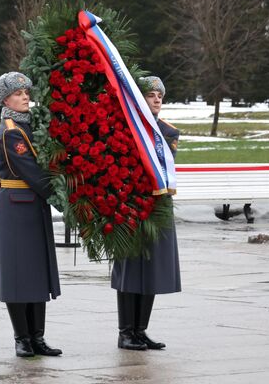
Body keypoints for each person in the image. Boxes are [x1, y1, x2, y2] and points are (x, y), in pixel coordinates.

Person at [0, 71, 62, 358]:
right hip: (17, 204)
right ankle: (22, 337)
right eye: (19, 94)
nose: (25, 97)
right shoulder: (11, 131)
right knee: (18, 274)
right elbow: (30, 171)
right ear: (5, 99)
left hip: (33, 205)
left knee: (36, 273)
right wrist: (61, 198)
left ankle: (37, 337)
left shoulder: (30, 126)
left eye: (27, 93)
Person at [110, 76, 181, 350]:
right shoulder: (126, 129)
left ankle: (140, 330)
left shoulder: (167, 131)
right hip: (130, 205)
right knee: (130, 270)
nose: (157, 99)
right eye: (151, 95)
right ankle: (125, 331)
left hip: (158, 205)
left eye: (160, 95)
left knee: (151, 269)